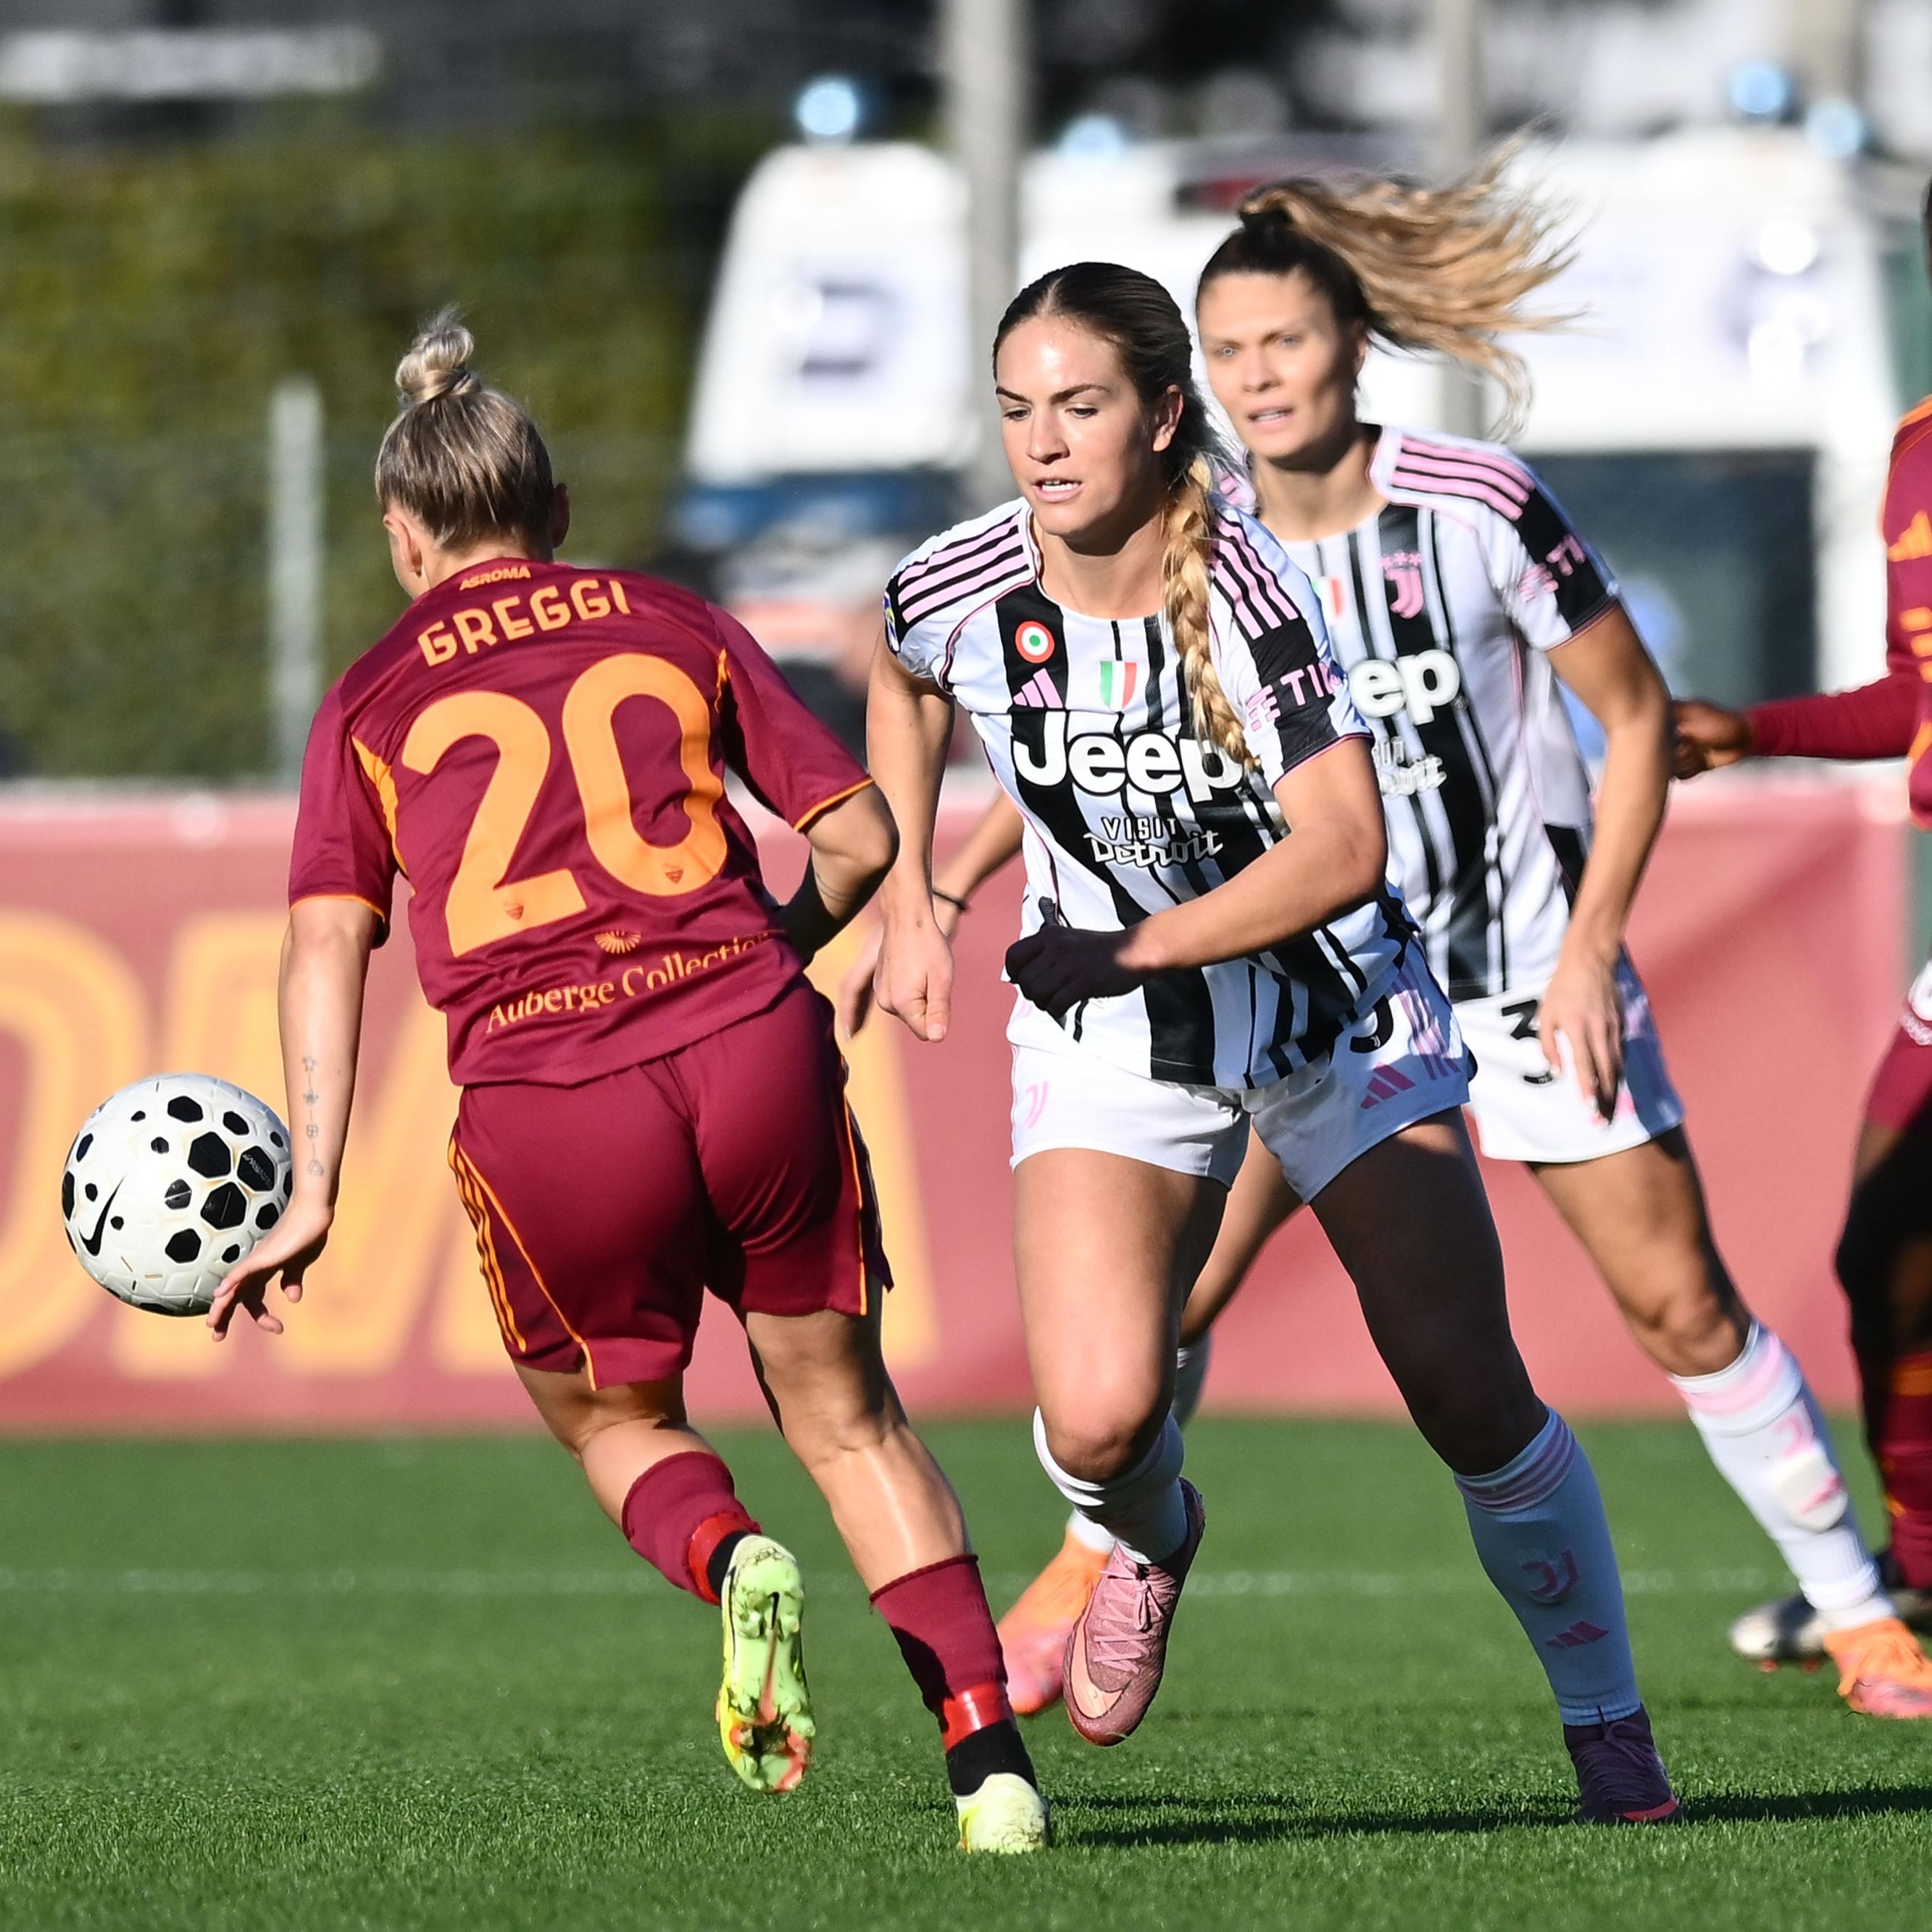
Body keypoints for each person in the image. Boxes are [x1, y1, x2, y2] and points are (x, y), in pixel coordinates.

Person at [857, 158, 1932, 1728]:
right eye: (1227, 352)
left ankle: (1859, 1619)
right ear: (1190, 385)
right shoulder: (1178, 545)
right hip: (1297, 998)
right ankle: (1103, 1554)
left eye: (1281, 345)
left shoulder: (1472, 506)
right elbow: (1110, 754)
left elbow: (1630, 716)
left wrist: (1588, 954)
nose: (1256, 378)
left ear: (1351, 349)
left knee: (1678, 1307)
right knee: (1150, 1327)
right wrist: (943, 878)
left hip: (1498, 971)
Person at [205, 314, 1049, 1855]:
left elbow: (330, 939)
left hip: (550, 1097)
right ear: (560, 510)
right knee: (850, 1416)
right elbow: (862, 843)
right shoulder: (673, 619)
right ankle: (990, 1768)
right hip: (748, 1042)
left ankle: (731, 1562)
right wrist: (762, 962)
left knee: (617, 1422)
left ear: (403, 539)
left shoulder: (374, 696)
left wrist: (311, 1183)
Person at [867, 259, 1681, 1822]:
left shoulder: (1248, 582)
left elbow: (1340, 846)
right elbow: (897, 674)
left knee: (1465, 1389)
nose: (1042, 442)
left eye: (1082, 405)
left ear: (1165, 417)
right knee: (1101, 1420)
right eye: (1016, 409)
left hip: (1336, 1022)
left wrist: (1137, 936)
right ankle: (1153, 1532)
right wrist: (908, 886)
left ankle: (1607, 1725)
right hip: (1119, 1040)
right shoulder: (960, 580)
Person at [1675, 175, 1932, 1670]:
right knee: (1885, 1251)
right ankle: (1911, 1576)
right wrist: (1752, 725)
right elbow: (1917, 690)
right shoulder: (1913, 455)